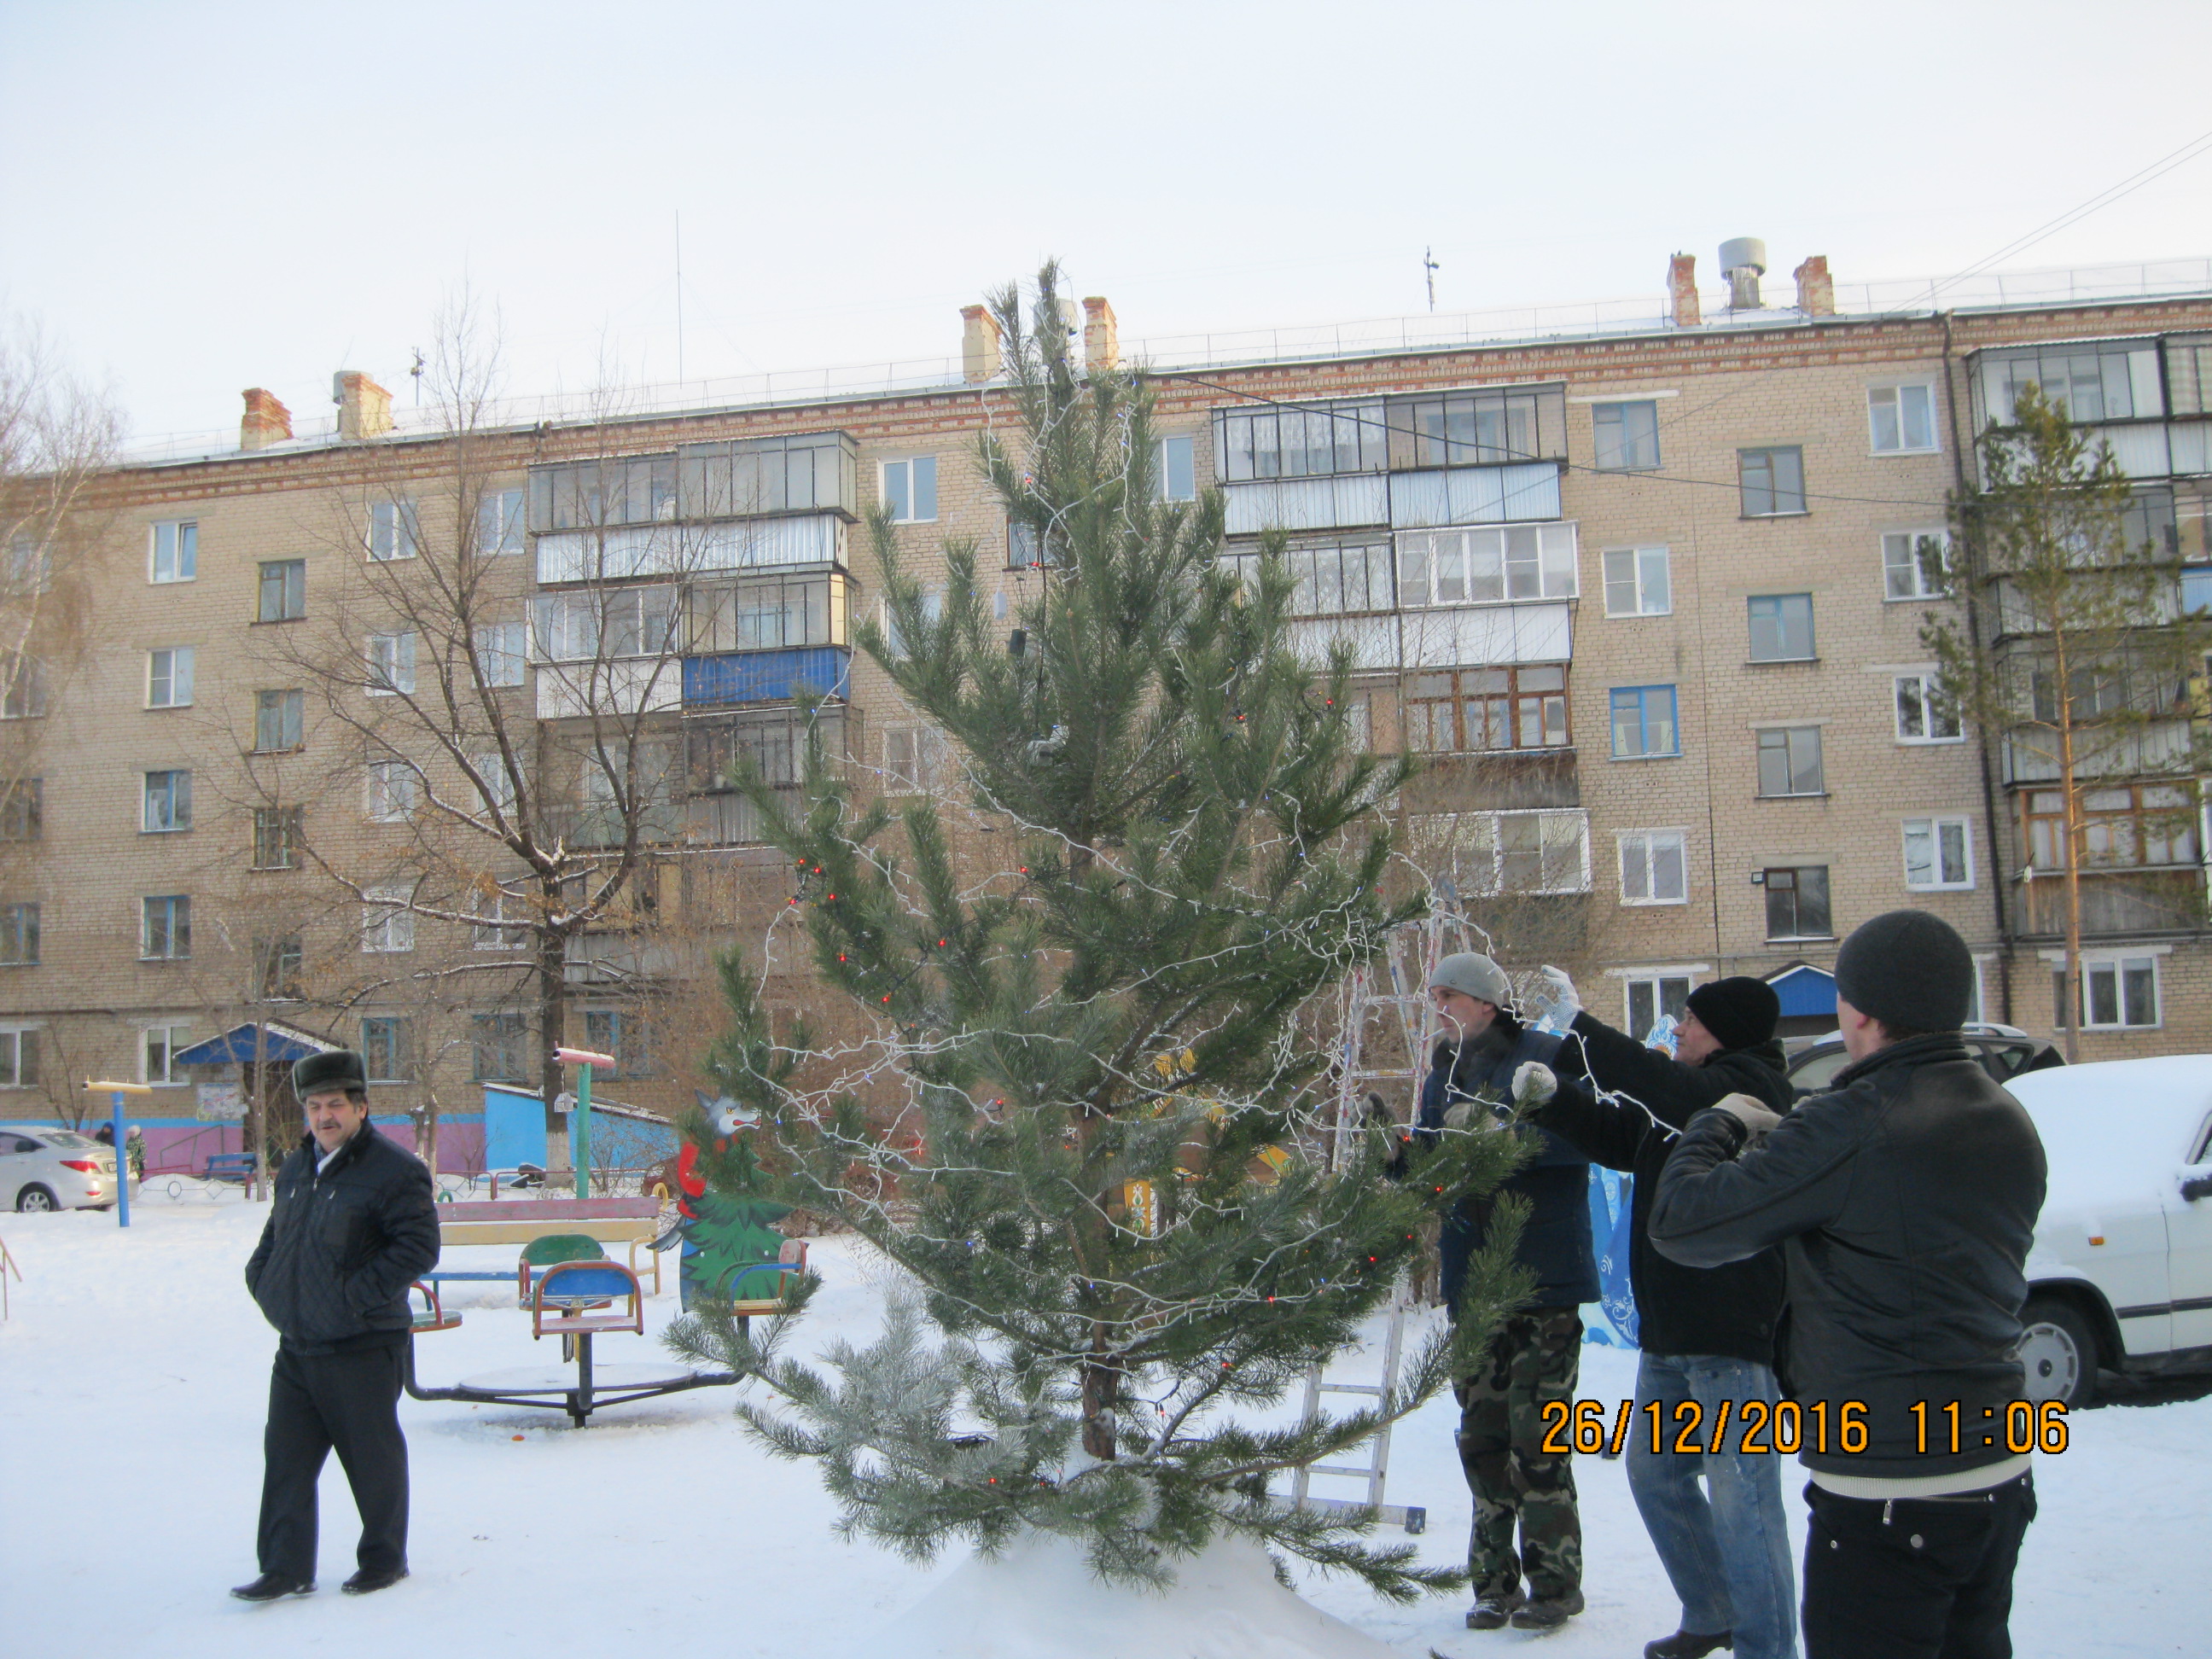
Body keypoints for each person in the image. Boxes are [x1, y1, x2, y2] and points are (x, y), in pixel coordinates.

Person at [1645, 912, 2046, 1659]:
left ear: (1858, 1012)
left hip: (1890, 1491)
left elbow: (1682, 1225)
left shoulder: (1850, 1123)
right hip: (2000, 1471)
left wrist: (1720, 1122)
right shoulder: (2008, 1115)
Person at [1524, 970, 1799, 1659]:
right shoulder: (1688, 1099)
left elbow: (1676, 1097)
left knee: (1746, 1502)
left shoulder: (1750, 1093)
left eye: (1691, 1019)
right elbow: (1623, 1137)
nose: (1677, 1027)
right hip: (1671, 1331)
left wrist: (1580, 1025)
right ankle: (1712, 1612)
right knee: (1657, 1476)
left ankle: (1766, 1647)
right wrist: (1554, 1098)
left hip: (1730, 1333)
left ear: (1727, 1033)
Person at [1417, 952, 1595, 1633]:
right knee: (1482, 1440)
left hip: (1543, 1279)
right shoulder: (1444, 1069)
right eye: (1435, 996)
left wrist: (1505, 1138)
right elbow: (1437, 1165)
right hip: (1474, 1283)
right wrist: (1399, 1153)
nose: (1440, 1007)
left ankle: (1555, 1583)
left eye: (1450, 996)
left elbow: (1589, 1139)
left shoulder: (1550, 1056)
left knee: (1539, 1439)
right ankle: (1494, 1585)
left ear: (1487, 1003)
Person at [233, 1050, 439, 1602]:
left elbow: (419, 1247)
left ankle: (383, 1560)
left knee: (371, 1460)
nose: (324, 1116)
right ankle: (284, 1568)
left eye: (335, 1105)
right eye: (315, 1106)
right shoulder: (298, 1167)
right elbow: (276, 1237)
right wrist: (263, 1281)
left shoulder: (395, 1171)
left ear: (361, 1108)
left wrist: (355, 1298)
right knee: (286, 1463)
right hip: (297, 1348)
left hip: (363, 1344)